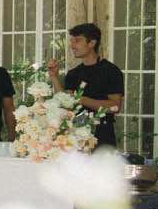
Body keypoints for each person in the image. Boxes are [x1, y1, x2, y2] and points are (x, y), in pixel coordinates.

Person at [48, 22, 122, 150]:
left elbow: (115, 106)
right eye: (71, 41)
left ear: (92, 43)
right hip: (75, 134)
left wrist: (81, 99)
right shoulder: (73, 73)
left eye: (77, 41)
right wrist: (54, 77)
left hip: (102, 134)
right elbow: (65, 104)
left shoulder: (111, 71)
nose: (72, 46)